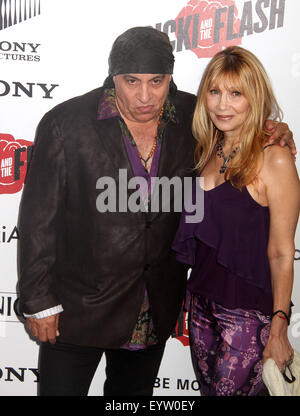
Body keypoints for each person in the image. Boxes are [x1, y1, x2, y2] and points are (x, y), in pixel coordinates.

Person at [17, 27, 295, 397]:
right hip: (77, 308)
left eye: (157, 81)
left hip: (152, 309)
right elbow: (37, 221)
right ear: (113, 76)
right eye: (131, 81)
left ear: (170, 78)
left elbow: (239, 118)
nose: (145, 96)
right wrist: (38, 303)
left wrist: (275, 130)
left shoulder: (193, 116)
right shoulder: (66, 124)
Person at [172, 46, 300, 396]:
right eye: (214, 92)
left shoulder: (274, 160)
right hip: (200, 307)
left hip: (248, 316)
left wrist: (279, 327)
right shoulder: (206, 149)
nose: (222, 105)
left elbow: (281, 252)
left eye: (235, 93)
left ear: (253, 97)